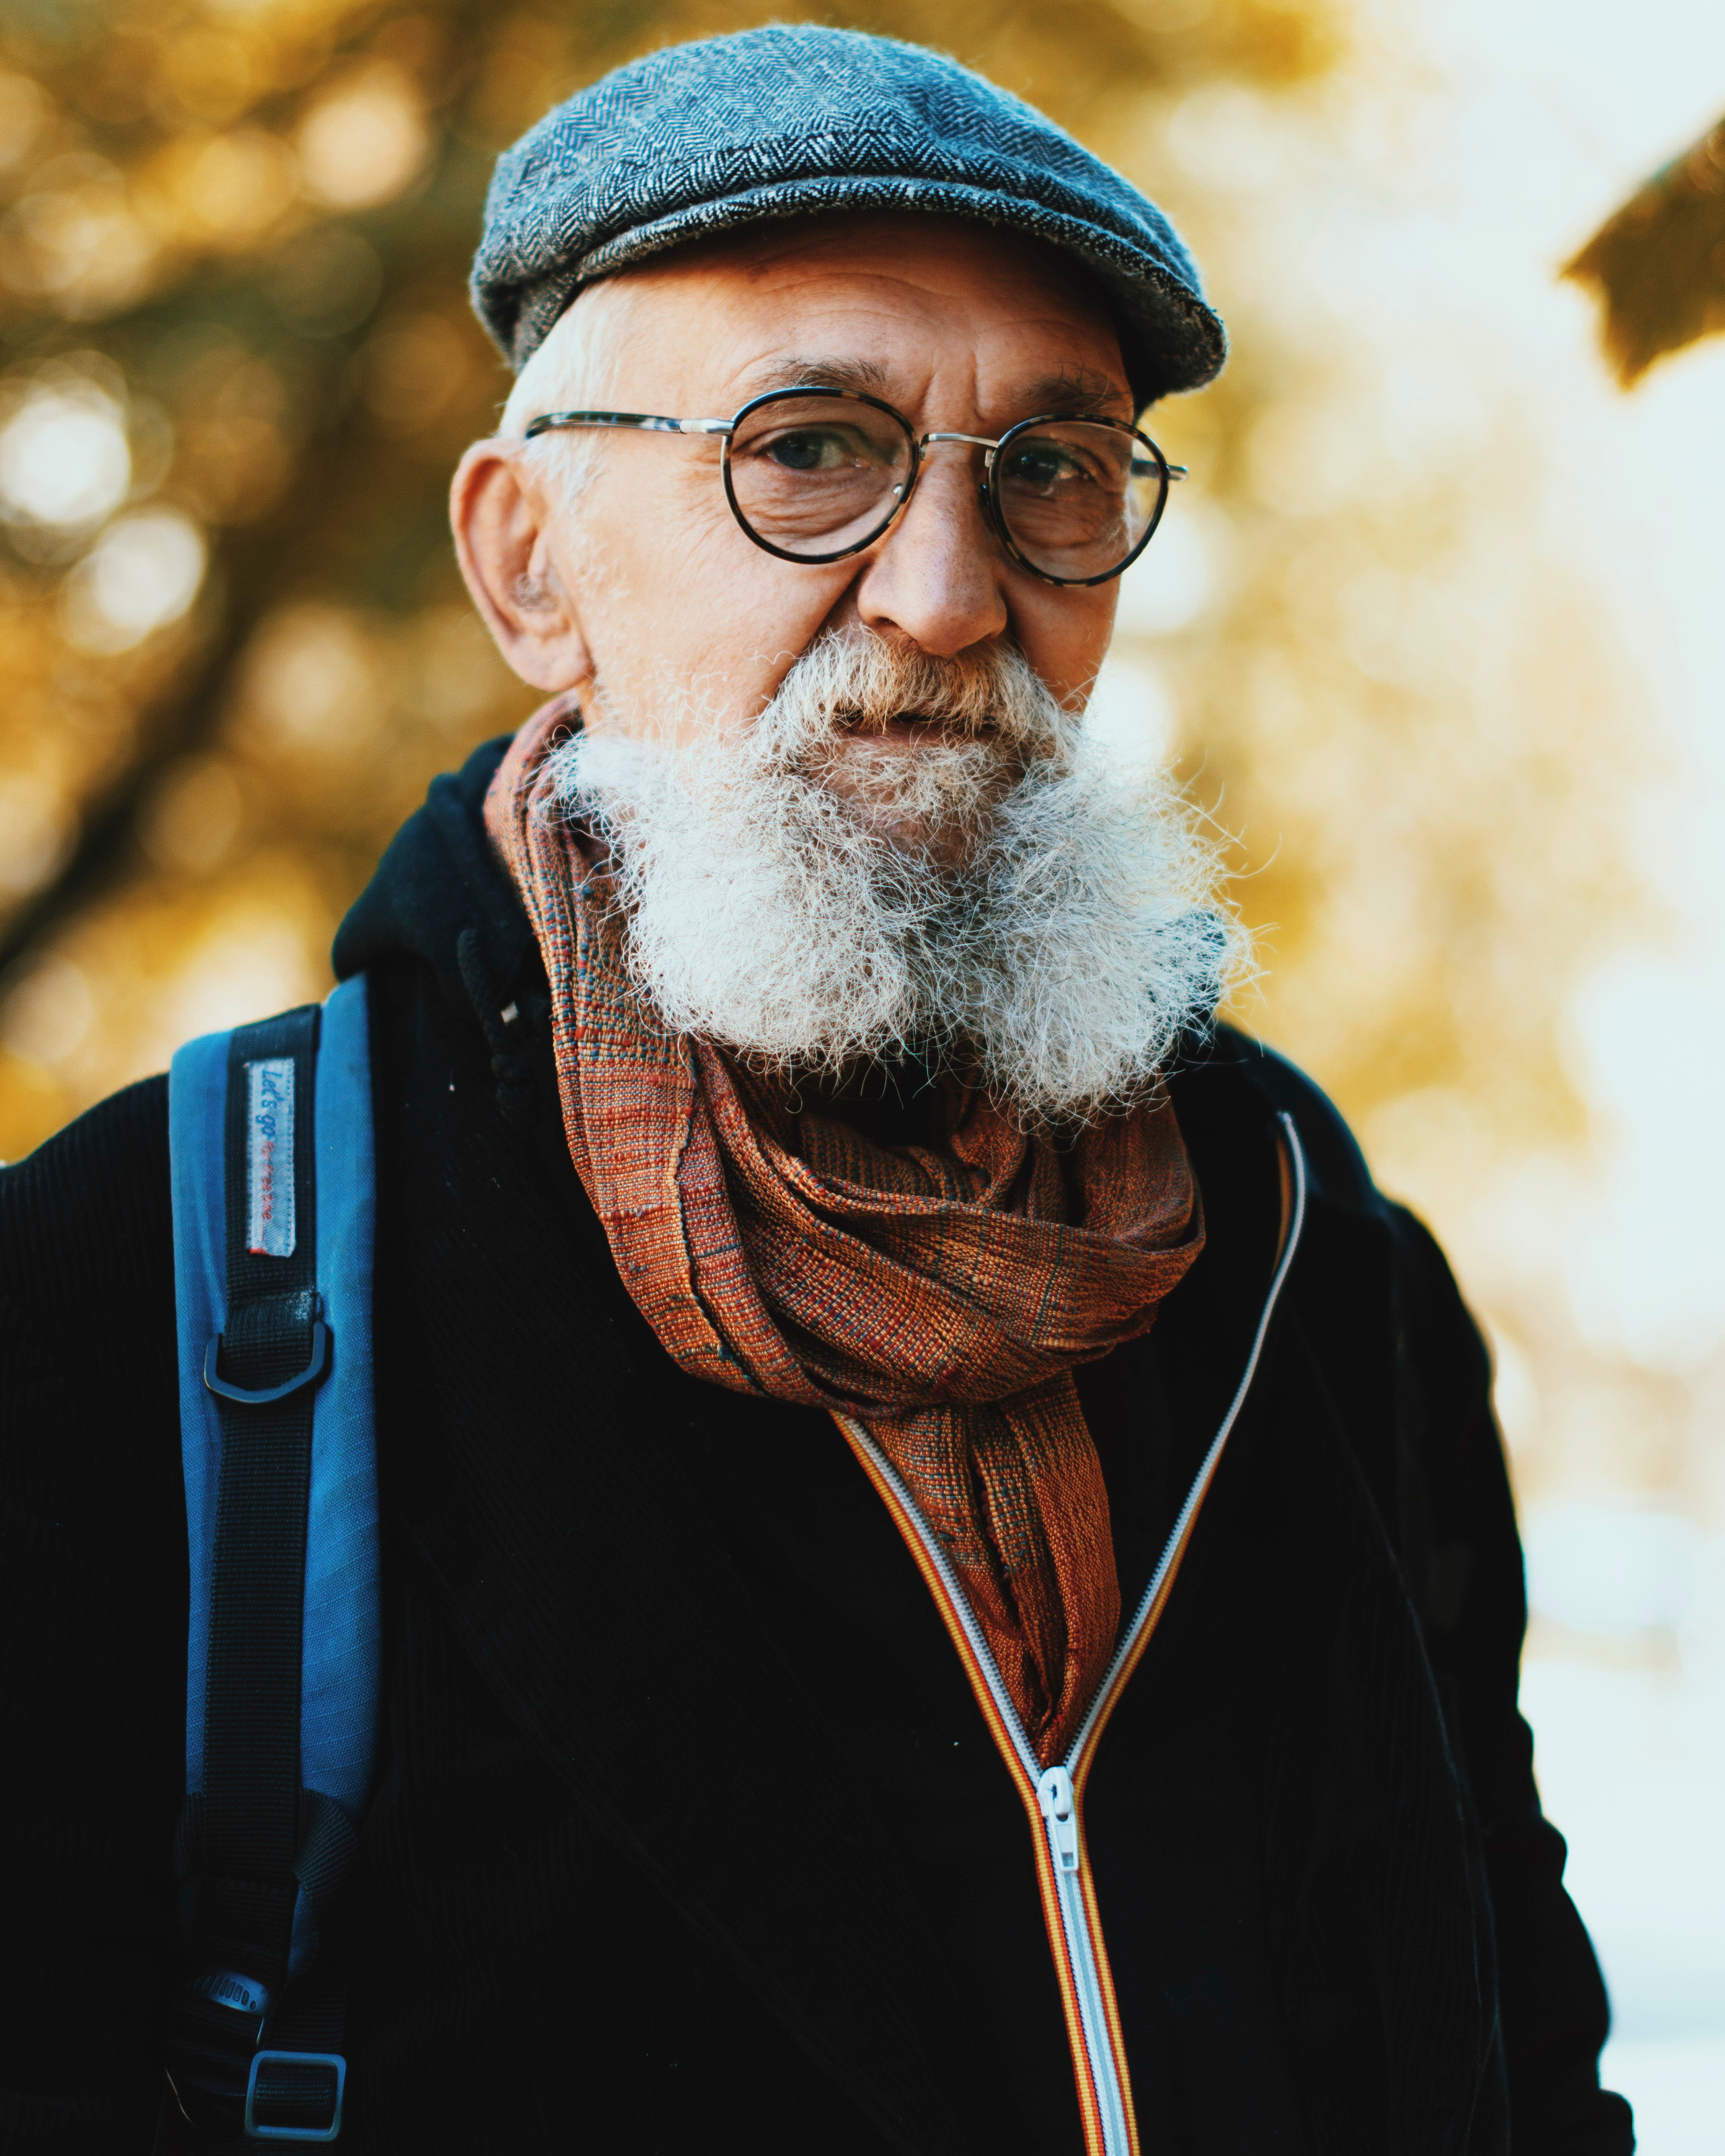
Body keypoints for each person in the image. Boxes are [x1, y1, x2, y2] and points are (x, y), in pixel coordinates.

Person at [1, 25, 1632, 2155]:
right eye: (807, 449)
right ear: (530, 566)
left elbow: (1514, 2046)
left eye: (1049, 471)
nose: (949, 596)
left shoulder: (1320, 1258)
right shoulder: (132, 1293)